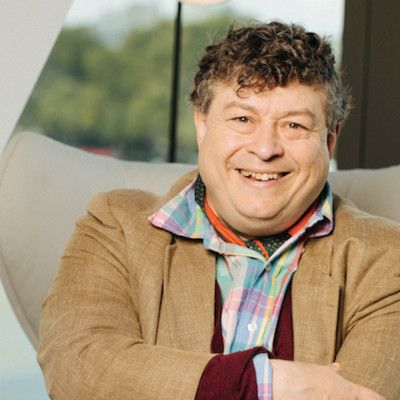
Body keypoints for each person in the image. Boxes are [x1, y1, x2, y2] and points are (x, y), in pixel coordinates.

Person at [37, 21, 400, 400]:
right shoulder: (115, 227)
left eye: (294, 125)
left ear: (330, 139)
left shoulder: (389, 261)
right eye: (243, 119)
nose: (265, 149)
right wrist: (267, 382)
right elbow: (76, 367)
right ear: (202, 124)